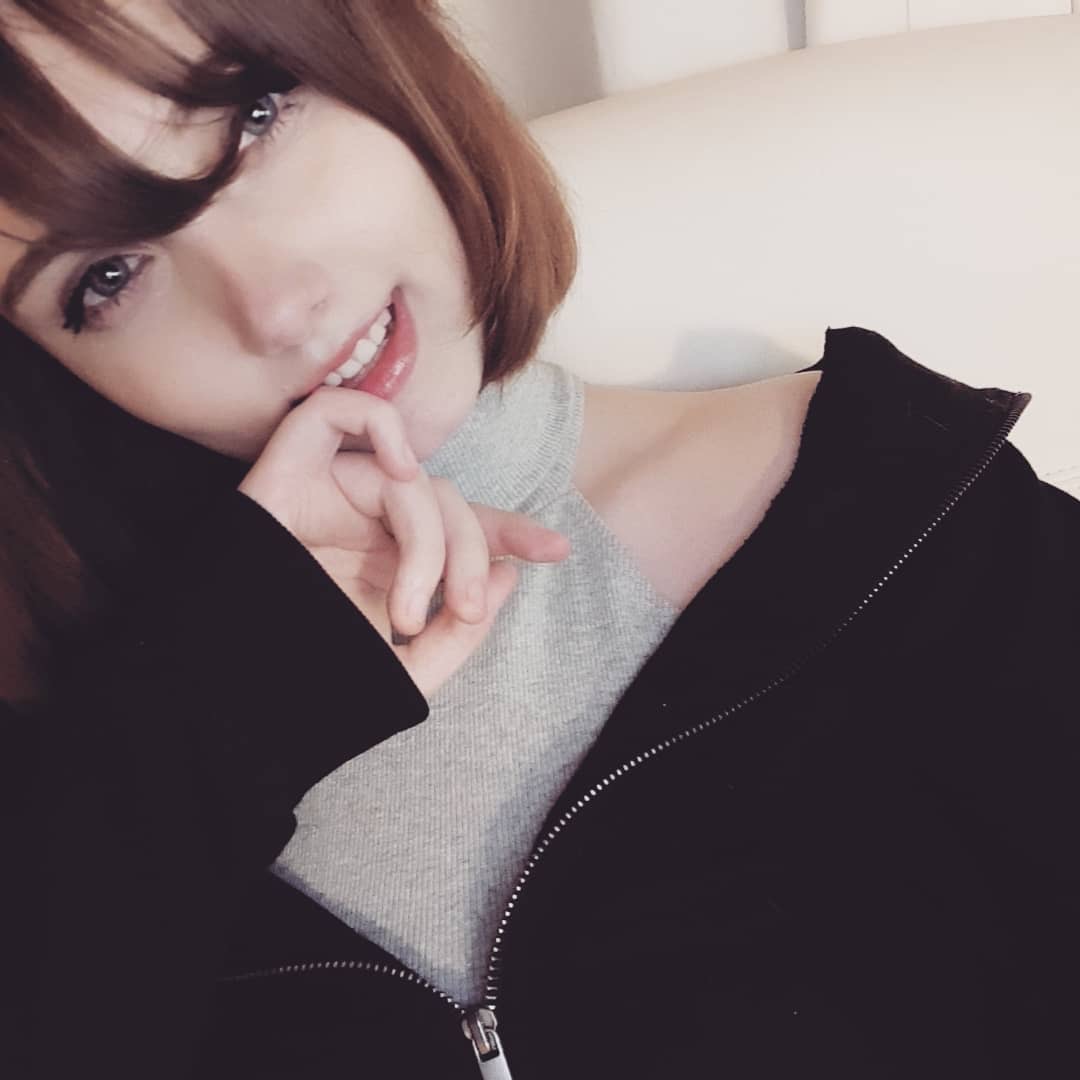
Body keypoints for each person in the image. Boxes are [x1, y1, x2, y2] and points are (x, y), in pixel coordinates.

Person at [1, 2, 1077, 1077]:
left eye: (254, 115)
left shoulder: (917, 520)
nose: (278, 308)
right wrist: (195, 735)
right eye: (107, 278)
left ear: (374, 49)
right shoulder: (77, 744)